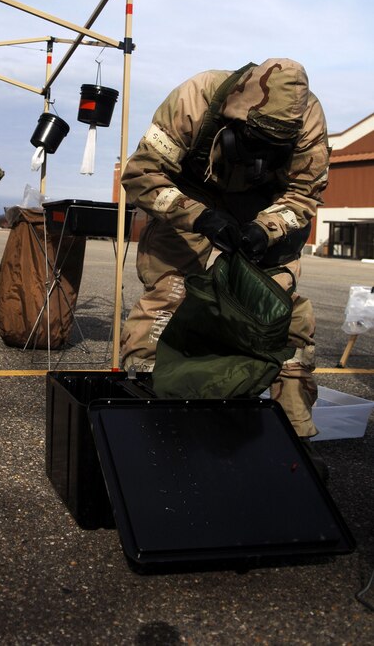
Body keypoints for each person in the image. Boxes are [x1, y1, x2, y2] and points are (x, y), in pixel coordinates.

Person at [120, 58, 330, 440]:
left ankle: (295, 441)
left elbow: (303, 195)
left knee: (283, 317)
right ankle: (147, 417)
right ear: (236, 117)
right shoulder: (195, 99)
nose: (261, 159)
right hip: (190, 201)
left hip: (264, 213)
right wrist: (199, 217)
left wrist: (266, 229)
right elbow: (141, 174)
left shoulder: (308, 121)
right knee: (171, 296)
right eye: (255, 144)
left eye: (274, 150)